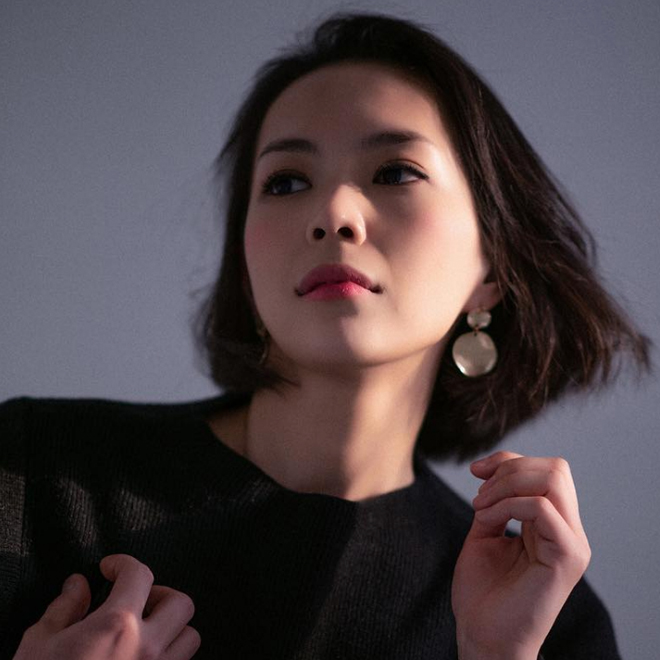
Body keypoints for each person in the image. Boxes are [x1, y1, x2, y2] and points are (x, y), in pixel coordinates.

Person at [0, 12, 650, 660]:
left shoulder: (543, 613)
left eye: (395, 172)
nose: (334, 213)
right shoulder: (28, 473)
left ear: (492, 271)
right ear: (245, 263)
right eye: (286, 182)